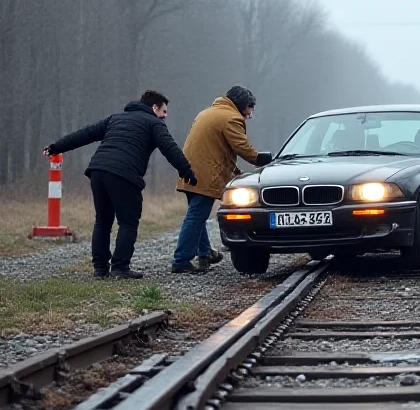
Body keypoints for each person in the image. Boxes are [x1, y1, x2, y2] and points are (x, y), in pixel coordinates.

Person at [43, 90, 196, 279]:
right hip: (124, 174)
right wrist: (187, 172)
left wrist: (56, 146)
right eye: (164, 111)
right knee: (128, 222)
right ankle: (120, 268)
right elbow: (170, 149)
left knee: (103, 220)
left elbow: (86, 134)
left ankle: (100, 269)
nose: (165, 116)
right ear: (154, 108)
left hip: (98, 171)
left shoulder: (116, 118)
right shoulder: (154, 124)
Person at [172, 86, 271, 273]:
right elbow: (242, 147)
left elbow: (217, 150)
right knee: (196, 216)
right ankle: (181, 260)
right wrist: (262, 159)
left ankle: (205, 253)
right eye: (250, 108)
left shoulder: (208, 113)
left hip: (188, 171)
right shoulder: (231, 118)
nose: (251, 113)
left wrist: (235, 171)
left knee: (197, 216)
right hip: (205, 174)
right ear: (242, 105)